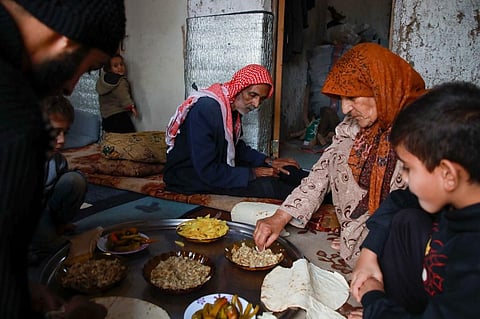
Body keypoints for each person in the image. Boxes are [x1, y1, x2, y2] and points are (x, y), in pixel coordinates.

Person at [0, 0, 126, 318]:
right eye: (86, 68)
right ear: (67, 39)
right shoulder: (15, 111)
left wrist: (24, 290)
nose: (70, 87)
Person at [254, 42, 426, 267]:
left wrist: (367, 241)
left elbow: (411, 210)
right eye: (341, 99)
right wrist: (280, 217)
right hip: (359, 247)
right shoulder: (353, 126)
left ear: (382, 89)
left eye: (353, 98)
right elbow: (323, 171)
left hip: (402, 254)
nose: (345, 109)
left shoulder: (425, 131)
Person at [350, 81, 480, 318]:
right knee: (406, 218)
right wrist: (369, 253)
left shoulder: (472, 260)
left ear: (448, 174)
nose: (403, 176)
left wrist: (373, 299)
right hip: (434, 297)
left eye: (408, 168)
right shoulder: (460, 198)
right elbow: (399, 199)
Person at [164, 64, 308, 200]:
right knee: (269, 185)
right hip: (189, 176)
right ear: (239, 89)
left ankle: (324, 186)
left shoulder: (230, 109)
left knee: (286, 171)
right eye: (252, 95)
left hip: (216, 168)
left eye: (261, 99)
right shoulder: (206, 109)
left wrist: (269, 161)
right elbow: (207, 170)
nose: (256, 104)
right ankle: (317, 197)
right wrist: (253, 173)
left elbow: (234, 147)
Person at [29, 96, 87, 264]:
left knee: (75, 180)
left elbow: (59, 190)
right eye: (55, 133)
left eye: (65, 133)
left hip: (43, 209)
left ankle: (57, 228)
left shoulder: (57, 159)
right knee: (59, 252)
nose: (62, 140)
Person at [96, 53, 138, 133]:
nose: (120, 67)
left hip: (106, 117)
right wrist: (131, 107)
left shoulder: (103, 81)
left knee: (113, 141)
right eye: (115, 66)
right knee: (129, 138)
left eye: (121, 64)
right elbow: (123, 95)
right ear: (109, 69)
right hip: (119, 116)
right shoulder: (120, 81)